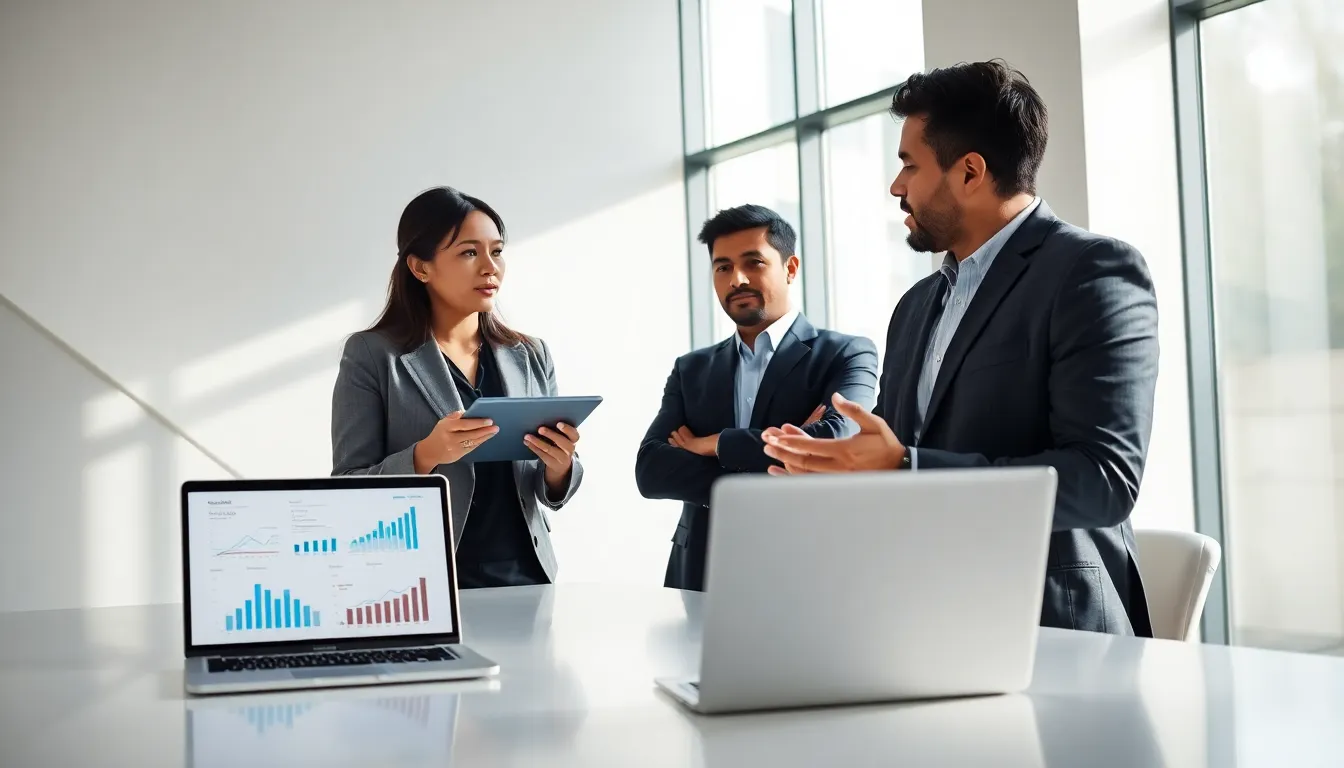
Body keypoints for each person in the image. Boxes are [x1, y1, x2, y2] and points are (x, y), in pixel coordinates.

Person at [762, 61, 1158, 637]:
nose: (896, 187)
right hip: (921, 617)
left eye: (909, 165)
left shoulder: (1091, 271)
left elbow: (1103, 481)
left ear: (970, 172)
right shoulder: (915, 306)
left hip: (1051, 630)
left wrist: (904, 467)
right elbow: (897, 461)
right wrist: (842, 473)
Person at [331, 186, 583, 588]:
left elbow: (548, 487)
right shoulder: (372, 355)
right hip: (423, 583)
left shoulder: (531, 354)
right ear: (421, 268)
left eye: (496, 251)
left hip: (528, 578)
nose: (490, 267)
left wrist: (560, 466)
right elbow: (347, 487)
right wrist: (427, 454)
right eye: (469, 253)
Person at [636, 204, 879, 592]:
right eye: (723, 267)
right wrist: (787, 453)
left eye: (754, 262)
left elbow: (834, 442)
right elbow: (650, 471)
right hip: (701, 571)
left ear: (790, 268)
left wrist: (713, 444)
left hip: (806, 570)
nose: (737, 279)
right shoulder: (691, 369)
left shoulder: (846, 353)